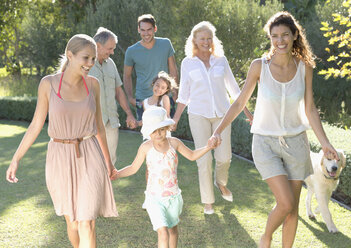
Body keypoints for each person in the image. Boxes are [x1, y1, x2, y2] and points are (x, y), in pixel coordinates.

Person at [210, 12, 339, 248]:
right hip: (265, 143)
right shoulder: (259, 66)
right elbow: (240, 102)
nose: (280, 41)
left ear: (294, 35)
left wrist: (325, 143)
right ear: (270, 38)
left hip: (297, 143)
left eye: (285, 35)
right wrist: (218, 130)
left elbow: (310, 109)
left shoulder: (305, 67)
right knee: (286, 202)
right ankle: (266, 238)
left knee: (292, 209)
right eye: (274, 36)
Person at [6, 34, 118, 248]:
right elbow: (36, 125)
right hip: (59, 157)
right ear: (70, 55)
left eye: (93, 59)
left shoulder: (93, 85)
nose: (90, 64)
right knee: (73, 222)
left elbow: (99, 128)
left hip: (90, 154)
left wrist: (108, 163)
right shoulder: (48, 84)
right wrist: (16, 159)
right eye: (86, 58)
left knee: (87, 223)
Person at [172, 21, 253, 215]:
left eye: (209, 38)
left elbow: (234, 89)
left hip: (223, 116)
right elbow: (184, 95)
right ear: (195, 40)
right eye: (202, 39)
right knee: (204, 160)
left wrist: (248, 113)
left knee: (224, 158)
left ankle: (221, 182)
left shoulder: (221, 60)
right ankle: (208, 201)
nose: (206, 42)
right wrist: (174, 119)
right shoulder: (187, 63)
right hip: (198, 115)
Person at [115, 107, 215, 248]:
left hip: (173, 198)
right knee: (162, 232)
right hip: (154, 199)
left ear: (167, 127)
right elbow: (133, 168)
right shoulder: (145, 147)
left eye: (161, 129)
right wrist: (117, 174)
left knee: (173, 230)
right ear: (148, 131)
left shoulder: (174, 143)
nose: (158, 133)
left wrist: (208, 147)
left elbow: (192, 155)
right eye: (154, 130)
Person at [89, 27, 137, 166]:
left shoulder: (111, 64)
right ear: (98, 46)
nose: (112, 52)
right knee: (92, 162)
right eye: (109, 48)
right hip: (92, 124)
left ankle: (107, 188)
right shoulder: (84, 64)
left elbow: (118, 91)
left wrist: (129, 113)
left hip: (111, 122)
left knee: (110, 162)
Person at [124, 14, 178, 121]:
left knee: (167, 133)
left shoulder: (166, 44)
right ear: (138, 29)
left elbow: (173, 69)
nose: (146, 33)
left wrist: (175, 93)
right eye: (143, 30)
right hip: (143, 99)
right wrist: (130, 98)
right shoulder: (131, 51)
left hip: (165, 97)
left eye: (149, 30)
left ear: (155, 29)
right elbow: (127, 75)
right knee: (147, 135)